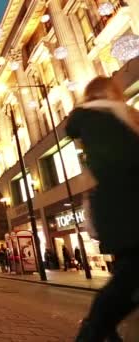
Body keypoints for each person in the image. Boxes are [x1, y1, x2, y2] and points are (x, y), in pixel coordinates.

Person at [66, 77, 139, 342]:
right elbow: (120, 162)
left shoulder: (103, 118)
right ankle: (95, 331)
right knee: (128, 280)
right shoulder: (104, 119)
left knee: (127, 278)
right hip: (126, 209)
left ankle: (103, 330)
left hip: (120, 210)